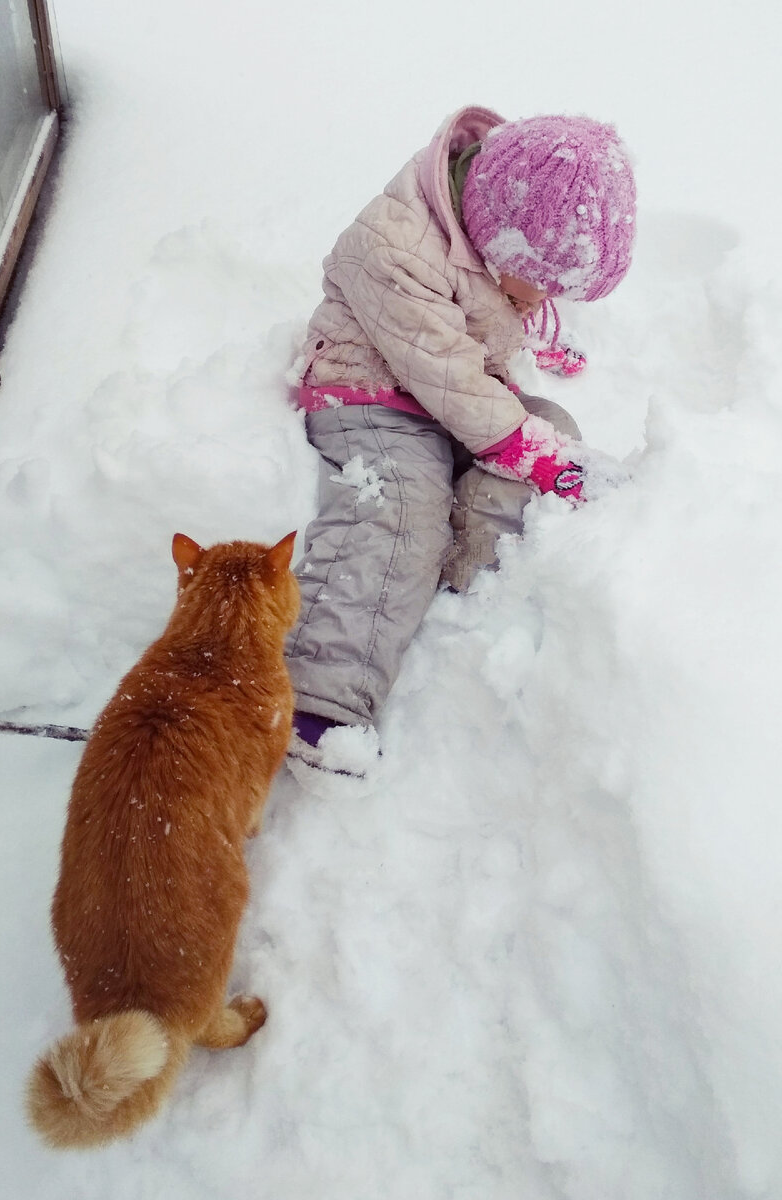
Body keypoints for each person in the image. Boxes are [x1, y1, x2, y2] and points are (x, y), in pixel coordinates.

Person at [284, 105, 637, 775]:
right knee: (403, 508)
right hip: (369, 396)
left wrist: (535, 351)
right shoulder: (390, 245)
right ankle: (320, 700)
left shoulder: (496, 225)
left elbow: (489, 320)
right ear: (503, 244)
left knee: (552, 427)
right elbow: (447, 375)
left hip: (447, 398)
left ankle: (460, 591)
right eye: (543, 288)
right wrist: (545, 462)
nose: (543, 302)